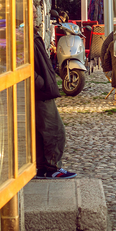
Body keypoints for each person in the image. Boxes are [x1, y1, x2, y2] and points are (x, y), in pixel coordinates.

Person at [33, 31, 75, 178]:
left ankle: (43, 167)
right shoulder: (23, 35)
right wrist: (40, 82)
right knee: (55, 130)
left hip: (41, 89)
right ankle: (52, 168)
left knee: (41, 132)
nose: (33, 14)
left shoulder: (29, 33)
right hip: (40, 92)